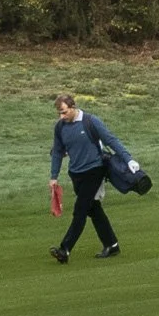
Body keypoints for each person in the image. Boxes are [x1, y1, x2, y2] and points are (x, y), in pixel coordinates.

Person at [49, 94, 134, 263]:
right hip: (76, 173)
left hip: (95, 170)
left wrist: (128, 159)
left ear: (73, 107)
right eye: (59, 113)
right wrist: (54, 176)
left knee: (80, 210)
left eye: (64, 112)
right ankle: (112, 244)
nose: (62, 117)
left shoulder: (91, 121)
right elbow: (58, 151)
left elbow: (111, 140)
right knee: (93, 208)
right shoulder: (60, 127)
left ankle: (65, 249)